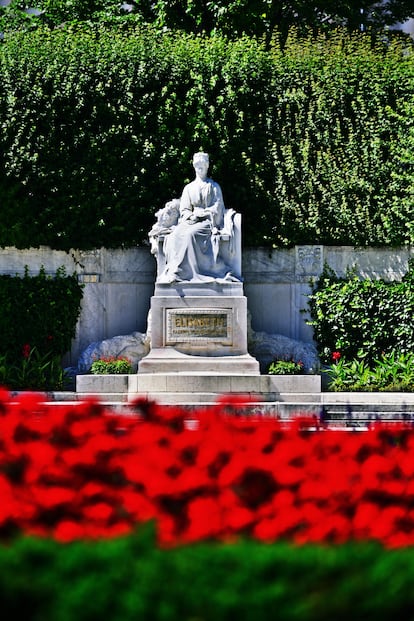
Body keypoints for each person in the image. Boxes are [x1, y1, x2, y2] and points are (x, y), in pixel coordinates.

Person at [157, 152, 237, 284]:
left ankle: (181, 273)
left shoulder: (214, 187)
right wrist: (192, 215)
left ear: (207, 167)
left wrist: (203, 213)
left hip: (207, 222)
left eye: (203, 166)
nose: (200, 169)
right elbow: (184, 209)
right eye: (198, 166)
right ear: (194, 167)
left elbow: (217, 208)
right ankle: (172, 270)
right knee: (174, 235)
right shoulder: (189, 188)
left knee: (190, 235)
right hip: (191, 220)